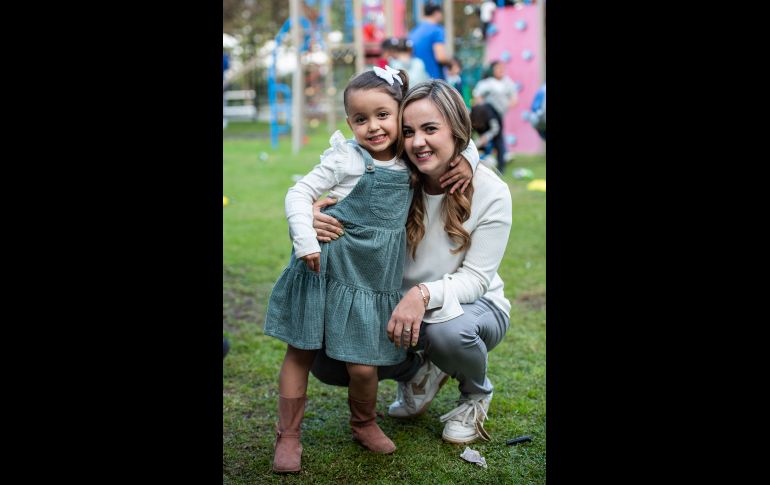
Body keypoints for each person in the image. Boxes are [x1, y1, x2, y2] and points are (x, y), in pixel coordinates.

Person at [263, 68, 479, 473]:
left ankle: (363, 422)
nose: (373, 126)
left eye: (383, 115)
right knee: (300, 352)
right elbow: (299, 192)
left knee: (364, 365)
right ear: (349, 123)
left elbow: (455, 140)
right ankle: (288, 435)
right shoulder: (346, 157)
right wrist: (306, 237)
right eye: (361, 119)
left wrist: (468, 158)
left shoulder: (410, 160)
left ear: (401, 115)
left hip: (369, 282)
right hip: (324, 267)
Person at [310, 79, 513, 446]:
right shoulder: (398, 175)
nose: (417, 141)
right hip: (394, 306)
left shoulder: (491, 191)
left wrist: (421, 294)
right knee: (326, 357)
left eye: (430, 129)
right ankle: (419, 370)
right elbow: (349, 165)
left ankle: (475, 395)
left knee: (445, 330)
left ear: (456, 129)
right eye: (408, 131)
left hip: (473, 308)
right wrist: (315, 212)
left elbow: (476, 280)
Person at [473, 61, 517, 173]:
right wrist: (483, 112)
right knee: (494, 134)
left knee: (498, 138)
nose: (501, 70)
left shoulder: (508, 82)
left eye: (502, 68)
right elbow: (478, 97)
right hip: (488, 114)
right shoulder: (487, 83)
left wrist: (506, 106)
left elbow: (514, 99)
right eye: (498, 68)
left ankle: (500, 167)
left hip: (498, 114)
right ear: (492, 70)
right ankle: (480, 160)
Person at [408, 3, 449, 80]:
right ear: (437, 13)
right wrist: (451, 63)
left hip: (418, 79)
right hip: (435, 79)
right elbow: (440, 57)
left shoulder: (413, 32)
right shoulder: (437, 30)